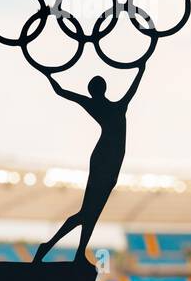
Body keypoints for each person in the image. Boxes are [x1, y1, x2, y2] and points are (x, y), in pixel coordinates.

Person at [33, 63, 145, 263]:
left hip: (107, 160)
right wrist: (140, 69)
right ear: (103, 89)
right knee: (88, 212)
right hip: (107, 161)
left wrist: (48, 74)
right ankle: (50, 246)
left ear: (92, 91)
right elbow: (134, 88)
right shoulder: (117, 106)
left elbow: (61, 91)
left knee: (91, 212)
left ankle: (77, 253)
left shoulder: (95, 104)